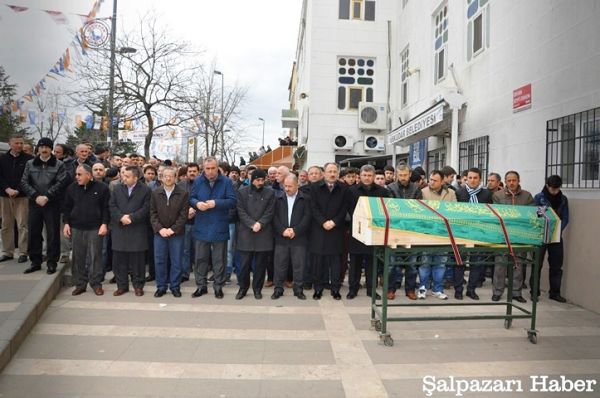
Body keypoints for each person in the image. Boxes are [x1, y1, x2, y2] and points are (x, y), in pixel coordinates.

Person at [190, 157, 237, 299]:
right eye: (207, 168)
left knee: (219, 259)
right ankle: (201, 286)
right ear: (203, 168)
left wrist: (216, 203)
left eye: (213, 168)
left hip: (219, 224)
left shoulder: (226, 182)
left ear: (218, 168)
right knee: (200, 259)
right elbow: (191, 198)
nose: (210, 171)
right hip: (201, 225)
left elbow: (232, 201)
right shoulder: (198, 181)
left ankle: (218, 286)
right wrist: (197, 204)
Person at [20, 137, 67, 274]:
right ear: (38, 149)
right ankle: (35, 261)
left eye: (47, 147)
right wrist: (36, 196)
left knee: (52, 234)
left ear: (51, 149)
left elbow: (61, 183)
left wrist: (47, 196)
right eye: (41, 147)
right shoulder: (30, 164)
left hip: (51, 203)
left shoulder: (59, 165)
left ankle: (52, 262)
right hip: (35, 203)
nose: (44, 149)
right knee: (34, 232)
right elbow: (24, 182)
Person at [63, 165, 110, 296]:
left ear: (89, 175)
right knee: (78, 257)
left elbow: (106, 208)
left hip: (95, 228)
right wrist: (66, 223)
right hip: (77, 228)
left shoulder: (102, 188)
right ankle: (80, 284)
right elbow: (66, 207)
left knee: (96, 256)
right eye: (76, 174)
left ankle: (96, 284)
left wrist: (104, 224)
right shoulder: (71, 188)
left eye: (79, 174)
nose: (76, 177)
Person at [347, 165, 390, 299]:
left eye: (369, 175)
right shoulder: (351, 191)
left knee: (372, 263)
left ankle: (371, 290)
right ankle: (353, 289)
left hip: (374, 231)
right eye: (364, 175)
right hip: (357, 231)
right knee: (355, 263)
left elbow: (384, 211)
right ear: (360, 176)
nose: (367, 178)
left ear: (373, 176)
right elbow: (348, 210)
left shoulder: (382, 192)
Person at [491, 170, 534, 303]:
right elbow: (496, 214)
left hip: (520, 235)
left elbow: (531, 214)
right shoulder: (497, 195)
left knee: (518, 264)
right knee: (500, 264)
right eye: (509, 180)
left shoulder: (527, 196)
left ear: (518, 180)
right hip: (502, 235)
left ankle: (516, 292)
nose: (511, 183)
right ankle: (497, 291)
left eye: (514, 180)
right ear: (505, 181)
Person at [109, 166, 151, 296]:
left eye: (127, 176)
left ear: (135, 177)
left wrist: (132, 218)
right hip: (120, 228)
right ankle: (122, 286)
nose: (123, 178)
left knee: (137, 262)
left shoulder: (145, 190)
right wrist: (121, 217)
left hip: (137, 229)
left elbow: (146, 208)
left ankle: (138, 286)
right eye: (123, 175)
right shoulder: (117, 188)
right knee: (119, 260)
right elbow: (112, 205)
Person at [309, 162, 349, 300]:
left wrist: (334, 222)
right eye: (329, 171)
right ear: (324, 173)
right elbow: (313, 207)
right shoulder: (314, 188)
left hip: (336, 229)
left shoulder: (344, 188)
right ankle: (318, 289)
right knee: (318, 262)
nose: (332, 174)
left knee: (335, 262)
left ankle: (335, 289)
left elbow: (344, 208)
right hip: (319, 229)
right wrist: (323, 222)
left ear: (338, 173)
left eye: (335, 171)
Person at [234, 169, 276, 300]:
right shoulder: (242, 191)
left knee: (260, 265)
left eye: (262, 180)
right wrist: (252, 224)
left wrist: (261, 223)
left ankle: (257, 289)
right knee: (244, 264)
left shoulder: (270, 192)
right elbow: (240, 211)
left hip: (263, 233)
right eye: (258, 180)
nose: (260, 182)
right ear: (252, 179)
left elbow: (270, 211)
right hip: (246, 232)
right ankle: (243, 288)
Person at [454, 167, 493, 301]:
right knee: (460, 262)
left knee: (477, 263)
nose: (472, 180)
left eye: (475, 178)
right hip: (462, 232)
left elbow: (489, 214)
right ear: (466, 178)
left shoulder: (486, 194)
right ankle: (458, 290)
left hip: (479, 233)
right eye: (469, 178)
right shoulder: (459, 193)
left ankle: (471, 290)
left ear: (480, 179)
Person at [150, 167, 189, 298]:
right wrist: (160, 229)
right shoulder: (155, 193)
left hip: (176, 233)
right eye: (165, 176)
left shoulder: (183, 193)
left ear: (175, 177)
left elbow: (184, 215)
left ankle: (175, 286)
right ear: (161, 177)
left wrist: (173, 229)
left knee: (176, 261)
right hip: (159, 233)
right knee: (160, 260)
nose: (168, 178)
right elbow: (152, 214)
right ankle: (161, 286)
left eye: (170, 176)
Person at [418, 170, 457, 300]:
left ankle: (437, 289)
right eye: (430, 179)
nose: (431, 182)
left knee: (441, 263)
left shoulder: (450, 193)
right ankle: (422, 287)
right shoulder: (423, 192)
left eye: (435, 180)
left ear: (442, 181)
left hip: (444, 233)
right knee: (425, 262)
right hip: (428, 232)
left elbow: (454, 211)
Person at [386, 163, 422, 300]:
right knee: (392, 265)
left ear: (410, 174)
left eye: (405, 175)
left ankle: (410, 290)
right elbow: (390, 207)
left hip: (412, 230)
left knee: (412, 265)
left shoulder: (416, 188)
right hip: (395, 230)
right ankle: (390, 290)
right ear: (396, 175)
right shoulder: (390, 188)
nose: (403, 178)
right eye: (400, 175)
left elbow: (418, 208)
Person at [272, 174, 311, 300]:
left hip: (299, 238)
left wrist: (296, 230)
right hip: (281, 237)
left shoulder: (305, 199)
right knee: (279, 265)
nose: (287, 189)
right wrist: (282, 230)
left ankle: (298, 289)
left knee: (299, 265)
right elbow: (274, 217)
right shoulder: (278, 199)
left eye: (290, 186)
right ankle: (278, 289)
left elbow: (307, 217)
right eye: (285, 186)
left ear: (297, 185)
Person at [532, 175, 569, 303]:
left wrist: (557, 230)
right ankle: (534, 292)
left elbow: (565, 217)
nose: (554, 191)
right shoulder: (539, 198)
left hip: (556, 236)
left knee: (556, 265)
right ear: (547, 186)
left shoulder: (563, 199)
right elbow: (535, 215)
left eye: (557, 189)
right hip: (540, 235)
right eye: (552, 189)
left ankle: (555, 292)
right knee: (537, 264)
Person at [0, 135, 33, 263]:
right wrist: (7, 189)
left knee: (22, 225)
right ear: (10, 143)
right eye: (16, 143)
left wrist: (18, 189)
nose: (19, 145)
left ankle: (23, 252)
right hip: (5, 195)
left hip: (22, 196)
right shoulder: (2, 158)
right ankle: (7, 251)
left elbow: (28, 177)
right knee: (5, 224)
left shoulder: (29, 159)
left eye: (21, 143)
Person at [178, 163, 199, 282]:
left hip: (199, 222)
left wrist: (195, 209)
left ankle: (199, 275)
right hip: (184, 222)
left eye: (194, 171)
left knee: (199, 251)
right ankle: (184, 273)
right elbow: (177, 202)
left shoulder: (203, 184)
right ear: (186, 173)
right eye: (189, 171)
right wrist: (186, 211)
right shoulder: (180, 185)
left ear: (198, 172)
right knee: (185, 250)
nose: (192, 173)